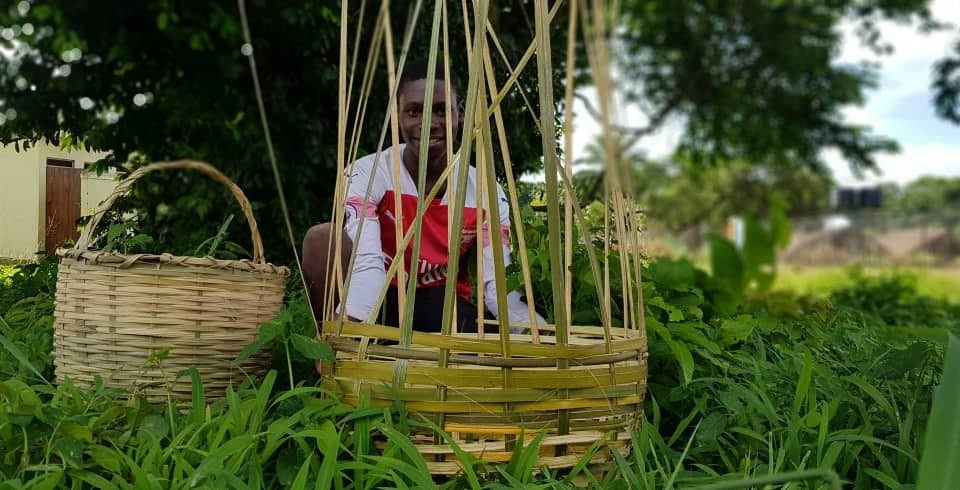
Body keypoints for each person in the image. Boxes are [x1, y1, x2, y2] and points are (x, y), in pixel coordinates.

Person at [302, 59, 544, 334]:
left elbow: (497, 282)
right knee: (322, 239)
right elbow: (367, 264)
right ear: (397, 115)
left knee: (443, 308)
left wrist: (532, 331)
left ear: (460, 112)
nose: (428, 123)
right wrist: (350, 326)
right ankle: (334, 349)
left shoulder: (485, 190)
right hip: (378, 298)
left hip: (441, 305)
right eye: (414, 112)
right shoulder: (364, 173)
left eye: (441, 111)